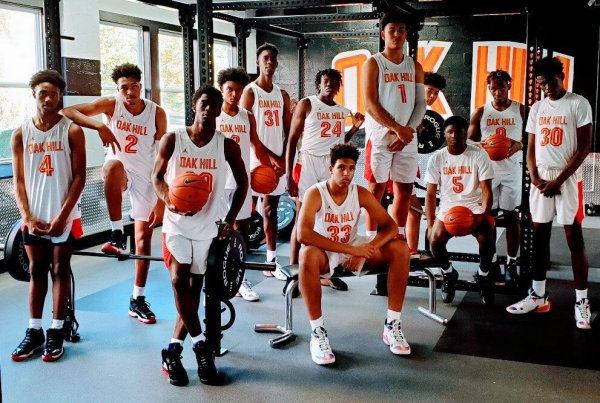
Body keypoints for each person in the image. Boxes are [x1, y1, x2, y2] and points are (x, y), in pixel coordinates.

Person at [153, 86, 248, 386]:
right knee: (178, 280)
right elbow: (157, 177)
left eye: (214, 105)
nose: (209, 109)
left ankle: (172, 350)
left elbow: (243, 183)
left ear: (220, 110)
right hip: (177, 225)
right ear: (194, 106)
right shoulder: (174, 139)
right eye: (204, 103)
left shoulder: (227, 146)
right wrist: (168, 200)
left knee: (193, 290)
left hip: (208, 227)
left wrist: (230, 220)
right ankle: (201, 346)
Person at [61, 63, 167, 324]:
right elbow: (67, 111)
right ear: (117, 90)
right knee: (111, 165)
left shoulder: (156, 112)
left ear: (140, 86)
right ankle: (116, 233)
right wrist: (99, 126)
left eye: (134, 86)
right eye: (123, 88)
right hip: (120, 173)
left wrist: (162, 197)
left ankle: (137, 298)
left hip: (146, 177)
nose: (129, 92)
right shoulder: (112, 104)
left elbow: (164, 156)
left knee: (142, 241)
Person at [298, 143, 411, 365]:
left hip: (353, 245)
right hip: (325, 251)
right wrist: (353, 251)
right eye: (341, 167)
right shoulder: (316, 193)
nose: (347, 173)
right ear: (331, 169)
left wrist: (366, 251)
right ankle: (317, 332)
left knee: (400, 248)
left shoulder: (359, 193)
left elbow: (390, 226)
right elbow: (303, 234)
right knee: (307, 255)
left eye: (351, 168)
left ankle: (392, 325)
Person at [506, 56, 594, 329]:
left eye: (551, 82)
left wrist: (558, 180)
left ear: (562, 77)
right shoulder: (537, 108)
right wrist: (534, 176)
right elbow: (530, 147)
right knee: (539, 237)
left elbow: (584, 148)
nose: (547, 88)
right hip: (541, 178)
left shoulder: (578, 103)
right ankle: (539, 295)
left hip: (567, 178)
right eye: (542, 84)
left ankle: (582, 301)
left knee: (574, 238)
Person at [11, 70, 86, 362]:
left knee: (60, 269)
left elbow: (79, 177)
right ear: (34, 94)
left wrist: (62, 216)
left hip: (64, 213)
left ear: (60, 97)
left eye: (54, 94)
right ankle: (34, 331)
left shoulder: (72, 130)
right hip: (34, 215)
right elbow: (19, 181)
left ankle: (56, 330)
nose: (48, 98)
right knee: (36, 270)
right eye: (43, 93)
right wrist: (27, 216)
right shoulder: (21, 133)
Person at [286, 68, 365, 291]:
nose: (329, 84)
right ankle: (294, 273)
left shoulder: (341, 111)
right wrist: (288, 175)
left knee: (329, 218)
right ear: (318, 84)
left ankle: (326, 269)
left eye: (333, 82)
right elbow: (292, 139)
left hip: (330, 164)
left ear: (339, 86)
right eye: (325, 81)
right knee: (303, 217)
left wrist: (354, 129)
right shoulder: (307, 104)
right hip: (308, 161)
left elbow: (339, 141)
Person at [363, 11, 426, 241]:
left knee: (405, 189)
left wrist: (408, 130)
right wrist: (398, 128)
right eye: (392, 30)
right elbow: (370, 104)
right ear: (383, 34)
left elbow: (420, 104)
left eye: (401, 30)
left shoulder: (414, 66)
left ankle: (396, 237)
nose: (397, 34)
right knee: (375, 190)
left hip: (407, 136)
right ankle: (370, 239)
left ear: (406, 34)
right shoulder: (374, 63)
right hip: (381, 136)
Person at [425, 116, 496, 305]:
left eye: (458, 131)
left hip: (473, 206)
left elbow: (487, 190)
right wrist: (430, 224)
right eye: (450, 132)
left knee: (487, 238)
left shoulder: (479, 155)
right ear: (444, 134)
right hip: (448, 208)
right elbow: (430, 194)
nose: (454, 135)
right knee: (435, 241)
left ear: (466, 133)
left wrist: (483, 215)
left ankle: (483, 275)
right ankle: (448, 273)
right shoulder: (437, 158)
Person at [216, 67, 272, 301]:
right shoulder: (213, 114)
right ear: (221, 89)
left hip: (241, 182)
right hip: (218, 183)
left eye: (239, 90)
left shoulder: (247, 116)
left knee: (242, 232)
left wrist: (271, 167)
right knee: (215, 233)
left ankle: (240, 279)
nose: (234, 94)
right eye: (230, 89)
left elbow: (256, 146)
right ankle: (214, 279)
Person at [240, 43, 292, 280]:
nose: (269, 62)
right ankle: (239, 265)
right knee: (244, 214)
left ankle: (271, 262)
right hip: (254, 161)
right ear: (258, 62)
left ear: (277, 63)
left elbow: (289, 131)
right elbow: (248, 132)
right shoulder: (250, 92)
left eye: (273, 58)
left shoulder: (282, 95)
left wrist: (284, 161)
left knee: (270, 211)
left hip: (277, 163)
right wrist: (271, 160)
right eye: (265, 58)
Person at [468, 70, 524, 285]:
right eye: (493, 89)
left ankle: (511, 263)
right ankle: (488, 263)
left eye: (501, 88)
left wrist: (520, 144)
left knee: (512, 218)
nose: (498, 92)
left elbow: (532, 137)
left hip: (512, 170)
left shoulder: (521, 110)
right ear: (488, 89)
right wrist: (481, 145)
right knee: (486, 219)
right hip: (488, 172)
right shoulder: (481, 112)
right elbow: (469, 140)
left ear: (509, 85)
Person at [407, 72, 447, 258]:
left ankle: (411, 253)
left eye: (436, 93)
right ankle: (406, 253)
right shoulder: (409, 107)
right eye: (429, 90)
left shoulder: (421, 109)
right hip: (393, 164)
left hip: (407, 163)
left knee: (412, 212)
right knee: (411, 211)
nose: (432, 96)